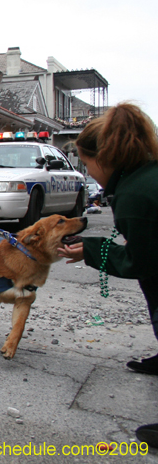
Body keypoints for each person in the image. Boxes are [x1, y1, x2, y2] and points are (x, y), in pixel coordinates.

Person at [56, 102, 158, 449]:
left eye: (86, 164)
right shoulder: (146, 173)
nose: (90, 173)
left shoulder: (135, 193)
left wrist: (91, 249)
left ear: (104, 158)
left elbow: (140, 260)